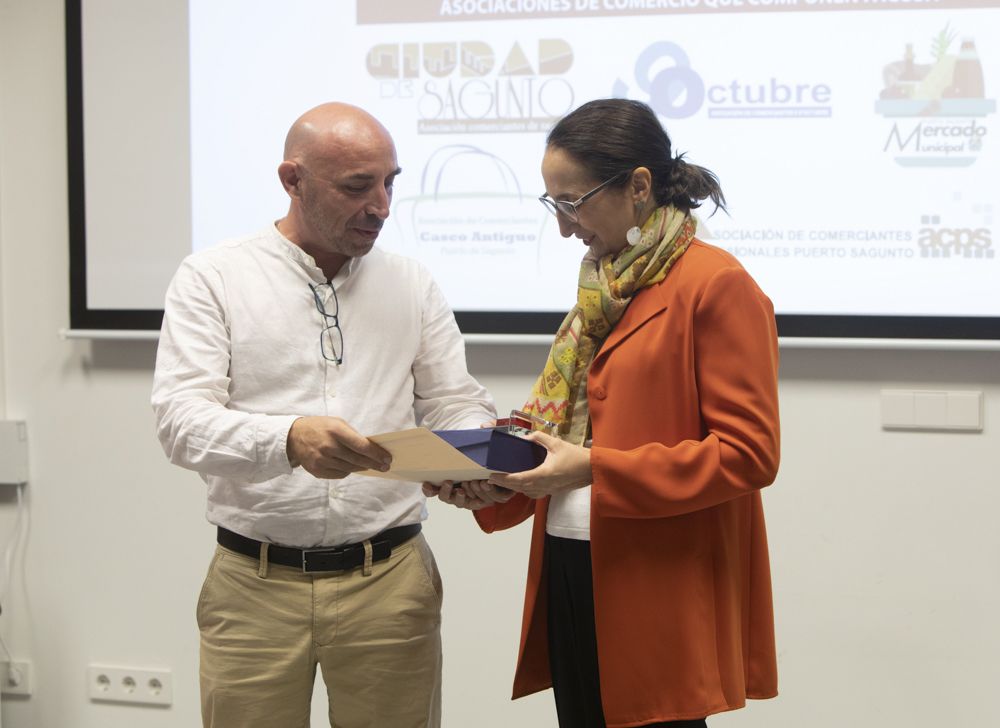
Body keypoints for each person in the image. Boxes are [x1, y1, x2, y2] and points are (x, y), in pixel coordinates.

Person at [425, 98, 781, 728]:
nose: (564, 227)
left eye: (573, 202)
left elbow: (748, 454)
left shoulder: (716, 284)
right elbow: (567, 429)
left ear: (639, 186)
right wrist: (490, 477)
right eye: (551, 205)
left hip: (657, 578)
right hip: (570, 555)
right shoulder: (603, 286)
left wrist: (592, 469)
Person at [152, 102, 496, 728]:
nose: (383, 205)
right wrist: (288, 439)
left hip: (390, 581)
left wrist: (468, 456)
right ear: (293, 181)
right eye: (357, 186)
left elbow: (454, 399)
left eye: (391, 182)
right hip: (253, 584)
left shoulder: (413, 284)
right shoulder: (214, 277)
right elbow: (180, 421)